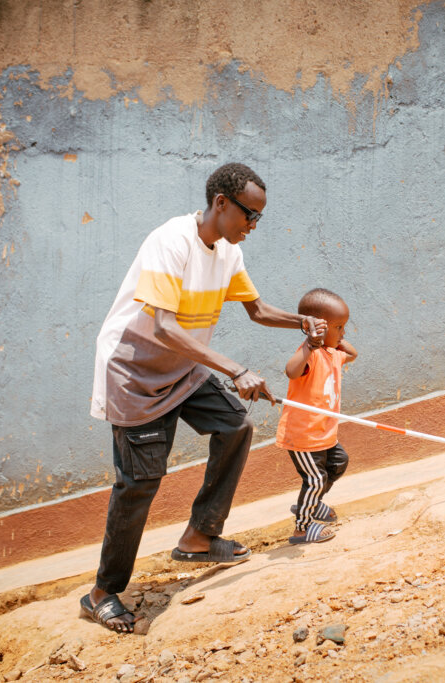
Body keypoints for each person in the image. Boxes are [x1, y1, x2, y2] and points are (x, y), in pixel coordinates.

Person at [82, 163, 326, 633]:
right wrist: (235, 369)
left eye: (259, 218)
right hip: (136, 374)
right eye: (249, 215)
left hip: (184, 368)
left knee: (236, 424)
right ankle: (101, 593)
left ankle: (199, 536)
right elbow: (163, 326)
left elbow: (255, 310)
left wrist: (301, 322)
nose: (253, 226)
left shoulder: (227, 252)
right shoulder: (170, 242)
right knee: (139, 482)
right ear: (220, 204)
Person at [274, 288, 358, 545]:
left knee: (338, 463)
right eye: (340, 327)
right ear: (317, 329)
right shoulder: (310, 354)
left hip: (324, 434)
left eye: (344, 327)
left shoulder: (333, 353)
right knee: (315, 479)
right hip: (304, 436)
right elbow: (291, 371)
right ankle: (303, 526)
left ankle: (312, 504)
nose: (343, 333)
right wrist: (312, 343)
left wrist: (337, 339)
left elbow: (353, 355)